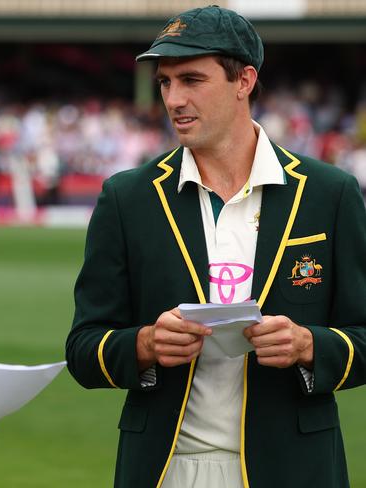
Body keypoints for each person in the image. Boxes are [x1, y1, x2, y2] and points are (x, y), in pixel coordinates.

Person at [66, 6, 366, 488]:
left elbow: (362, 334)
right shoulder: (127, 197)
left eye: (192, 79)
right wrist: (144, 344)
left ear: (244, 80)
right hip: (165, 468)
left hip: (293, 468)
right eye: (165, 82)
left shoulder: (329, 193)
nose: (173, 99)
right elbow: (83, 348)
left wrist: (311, 345)